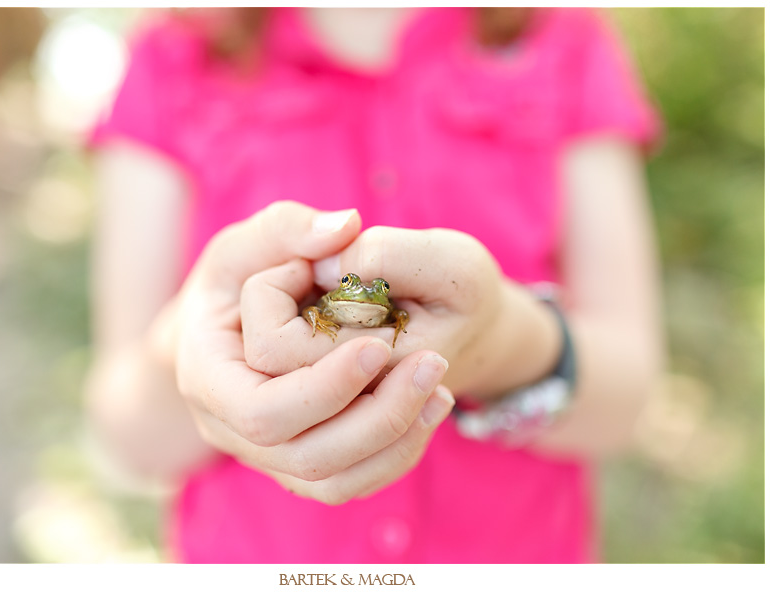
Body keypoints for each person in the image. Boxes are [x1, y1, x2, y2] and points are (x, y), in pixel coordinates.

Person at [86, 7, 663, 563]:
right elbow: (135, 435)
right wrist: (190, 345)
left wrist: (501, 337)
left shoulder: (564, 39)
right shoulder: (175, 52)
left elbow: (624, 401)